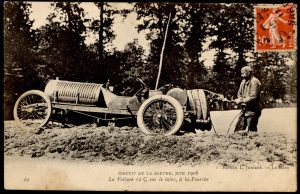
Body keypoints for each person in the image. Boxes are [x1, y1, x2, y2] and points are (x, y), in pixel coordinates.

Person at [234, 66, 262, 132]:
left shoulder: (255, 81)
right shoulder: (243, 81)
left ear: (249, 73)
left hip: (253, 111)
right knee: (238, 130)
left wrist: (241, 100)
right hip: (244, 110)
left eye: (243, 73)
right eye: (241, 73)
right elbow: (239, 93)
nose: (242, 75)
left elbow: (253, 97)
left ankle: (253, 142)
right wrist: (240, 99)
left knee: (251, 131)